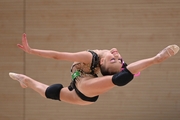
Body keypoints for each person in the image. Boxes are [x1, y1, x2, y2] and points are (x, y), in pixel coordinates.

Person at [9, 33, 179, 105]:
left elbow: (57, 56)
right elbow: (59, 55)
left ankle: (157, 59)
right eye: (117, 59)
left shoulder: (92, 59)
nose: (117, 56)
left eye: (117, 59)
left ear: (103, 64)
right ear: (103, 61)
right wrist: (31, 51)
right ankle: (25, 80)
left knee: (121, 78)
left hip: (85, 90)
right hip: (76, 87)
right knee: (52, 92)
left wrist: (32, 51)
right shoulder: (98, 57)